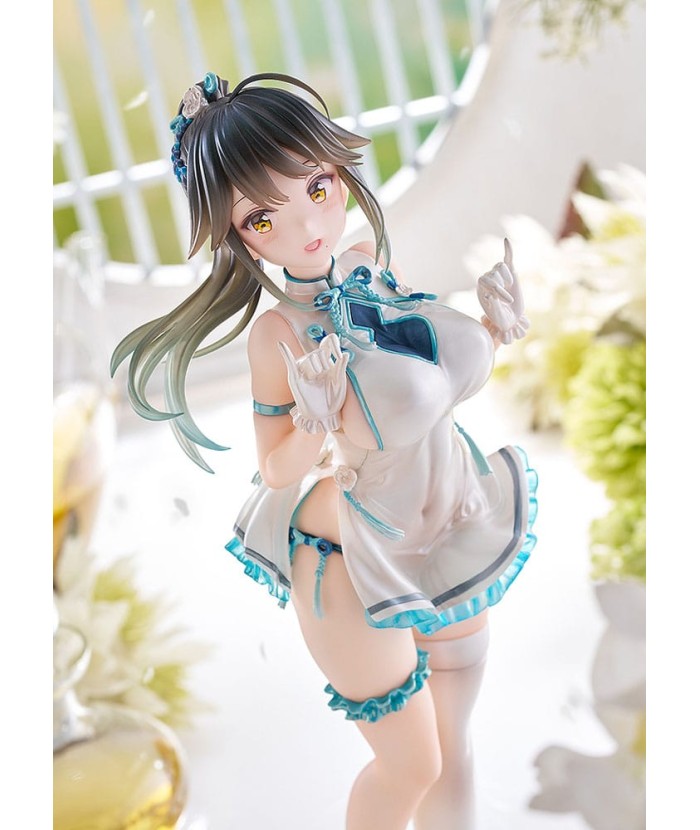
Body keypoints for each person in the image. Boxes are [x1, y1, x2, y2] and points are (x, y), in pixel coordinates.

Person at [111, 72, 538, 830]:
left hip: (445, 528)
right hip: (347, 563)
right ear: (239, 237)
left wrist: (492, 330)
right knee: (413, 765)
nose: (307, 224)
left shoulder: (371, 268)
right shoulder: (276, 334)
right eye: (261, 217)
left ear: (338, 170)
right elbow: (275, 467)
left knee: (455, 746)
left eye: (316, 185)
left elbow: (428, 381)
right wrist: (312, 420)